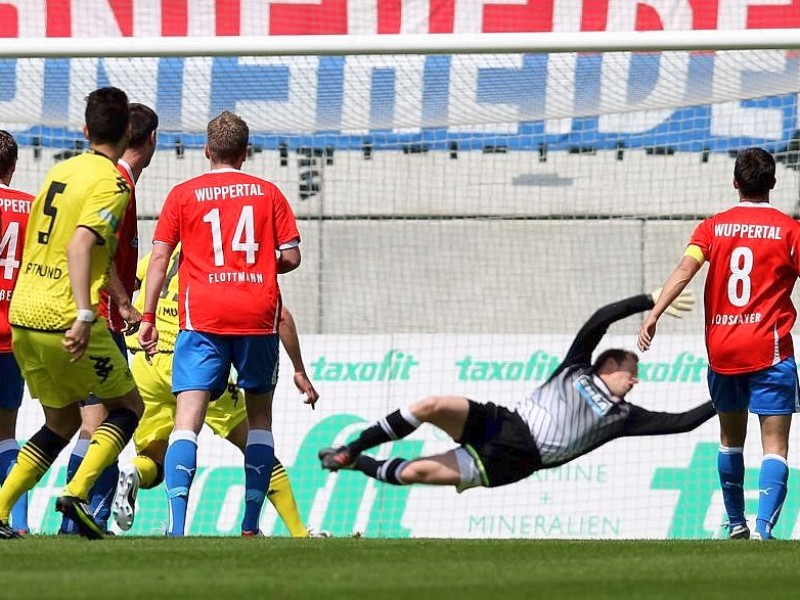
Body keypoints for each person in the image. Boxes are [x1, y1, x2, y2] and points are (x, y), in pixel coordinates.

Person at [320, 290, 715, 496]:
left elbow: (683, 422)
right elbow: (599, 320)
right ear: (608, 366)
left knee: (411, 472)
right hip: (502, 421)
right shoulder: (576, 366)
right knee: (431, 405)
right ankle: (351, 449)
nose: (635, 380)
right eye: (632, 371)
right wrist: (647, 301)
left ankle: (358, 465)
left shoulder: (623, 417)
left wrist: (729, 393)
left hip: (515, 460)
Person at [138, 111, 301, 536]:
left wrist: (150, 315)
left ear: (207, 150)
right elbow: (292, 257)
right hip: (256, 317)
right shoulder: (269, 194)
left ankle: (176, 527)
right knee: (259, 421)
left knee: (186, 421)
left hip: (202, 318)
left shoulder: (183, 194)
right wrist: (256, 267)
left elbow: (159, 259)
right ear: (246, 152)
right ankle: (250, 525)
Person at [0, 87, 143, 540]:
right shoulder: (114, 181)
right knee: (128, 406)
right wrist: (85, 312)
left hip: (23, 313)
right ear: (126, 132)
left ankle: (0, 508)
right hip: (65, 315)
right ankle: (77, 494)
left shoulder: (61, 171)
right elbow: (82, 243)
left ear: (85, 130)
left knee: (60, 421)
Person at [638, 147, 799, 541]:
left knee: (730, 439)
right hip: (770, 350)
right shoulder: (791, 232)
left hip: (723, 351)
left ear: (735, 183)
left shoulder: (712, 228)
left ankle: (736, 524)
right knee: (774, 444)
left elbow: (685, 269)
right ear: (773, 183)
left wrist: (655, 312)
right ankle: (763, 529)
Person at [112, 247, 319, 537]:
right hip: (192, 359)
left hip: (145, 362)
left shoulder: (160, 257)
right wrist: (299, 368)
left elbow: (126, 283)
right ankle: (298, 531)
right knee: (254, 439)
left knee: (154, 457)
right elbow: (279, 314)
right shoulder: (216, 258)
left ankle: (133, 471)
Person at [60, 103, 159, 535]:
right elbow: (94, 248)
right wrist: (121, 302)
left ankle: (80, 520)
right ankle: (81, 514)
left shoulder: (107, 178)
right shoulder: (117, 183)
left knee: (89, 421)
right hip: (94, 317)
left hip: (82, 314)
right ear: (151, 140)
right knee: (111, 416)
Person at [0, 130, 33, 535]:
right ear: (12, 166)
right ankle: (18, 521)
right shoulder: (32, 207)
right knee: (7, 431)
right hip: (14, 335)